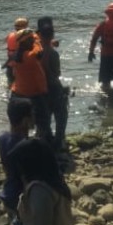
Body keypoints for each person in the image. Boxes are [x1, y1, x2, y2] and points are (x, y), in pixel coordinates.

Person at [10, 28, 50, 142]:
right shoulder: (30, 56)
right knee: (43, 121)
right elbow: (39, 50)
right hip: (34, 94)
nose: (33, 40)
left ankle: (21, 143)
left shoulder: (16, 55)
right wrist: (38, 40)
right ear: (24, 42)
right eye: (31, 39)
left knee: (20, 125)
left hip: (18, 92)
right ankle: (42, 144)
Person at [37, 17, 69, 159]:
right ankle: (59, 141)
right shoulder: (52, 53)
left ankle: (45, 140)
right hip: (53, 87)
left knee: (44, 117)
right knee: (61, 115)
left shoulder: (35, 49)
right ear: (52, 34)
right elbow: (56, 73)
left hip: (39, 89)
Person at [0, 98, 34, 220]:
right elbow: (27, 180)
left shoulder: (2, 138)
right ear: (25, 120)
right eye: (32, 115)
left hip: (7, 193)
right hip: (19, 199)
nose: (34, 119)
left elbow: (6, 168)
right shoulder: (27, 146)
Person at [5, 17, 29, 87]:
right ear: (26, 27)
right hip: (18, 69)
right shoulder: (25, 38)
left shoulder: (10, 35)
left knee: (11, 88)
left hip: (9, 67)